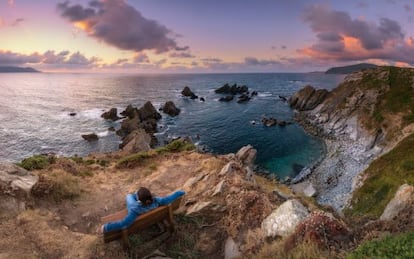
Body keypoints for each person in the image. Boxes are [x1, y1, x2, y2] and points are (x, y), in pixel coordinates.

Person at [99, 187, 185, 233]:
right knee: (135, 194)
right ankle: (138, 193)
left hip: (134, 204)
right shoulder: (158, 201)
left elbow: (123, 224)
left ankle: (136, 194)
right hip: (149, 208)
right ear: (151, 195)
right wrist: (180, 192)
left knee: (129, 196)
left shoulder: (135, 210)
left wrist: (106, 227)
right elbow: (168, 199)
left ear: (139, 201)